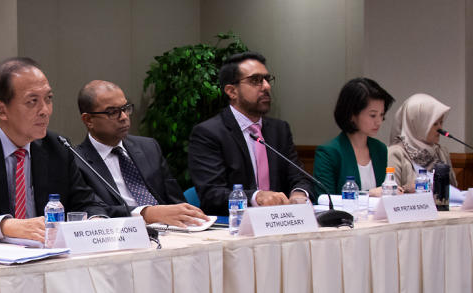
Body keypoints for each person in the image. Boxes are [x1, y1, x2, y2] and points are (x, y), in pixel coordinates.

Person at [0, 57, 111, 242]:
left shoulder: (57, 147)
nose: (45, 110)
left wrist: (95, 220)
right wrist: (7, 226)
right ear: (1, 110)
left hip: (50, 257)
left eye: (48, 99)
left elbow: (87, 202)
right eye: (32, 101)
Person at [188, 52, 314, 216]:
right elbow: (212, 195)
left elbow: (298, 176)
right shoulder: (208, 133)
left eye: (267, 79)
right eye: (255, 80)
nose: (266, 86)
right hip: (235, 228)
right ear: (231, 91)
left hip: (281, 222)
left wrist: (299, 193)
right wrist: (256, 197)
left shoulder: (279, 130)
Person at [74, 80, 207, 227]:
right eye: (112, 112)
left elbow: (174, 200)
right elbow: (94, 211)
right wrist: (146, 214)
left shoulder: (148, 147)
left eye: (125, 108)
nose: (124, 117)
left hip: (171, 231)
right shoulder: (76, 161)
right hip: (122, 237)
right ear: (88, 120)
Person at [314, 78, 395, 196]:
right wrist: (369, 193)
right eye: (372, 115)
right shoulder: (329, 153)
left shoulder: (380, 149)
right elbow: (324, 199)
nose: (378, 121)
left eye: (381, 115)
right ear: (352, 114)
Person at [387, 93, 457, 192]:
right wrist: (408, 189)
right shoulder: (395, 154)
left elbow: (454, 191)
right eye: (434, 124)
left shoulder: (441, 152)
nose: (440, 129)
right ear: (417, 124)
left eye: (441, 122)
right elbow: (390, 194)